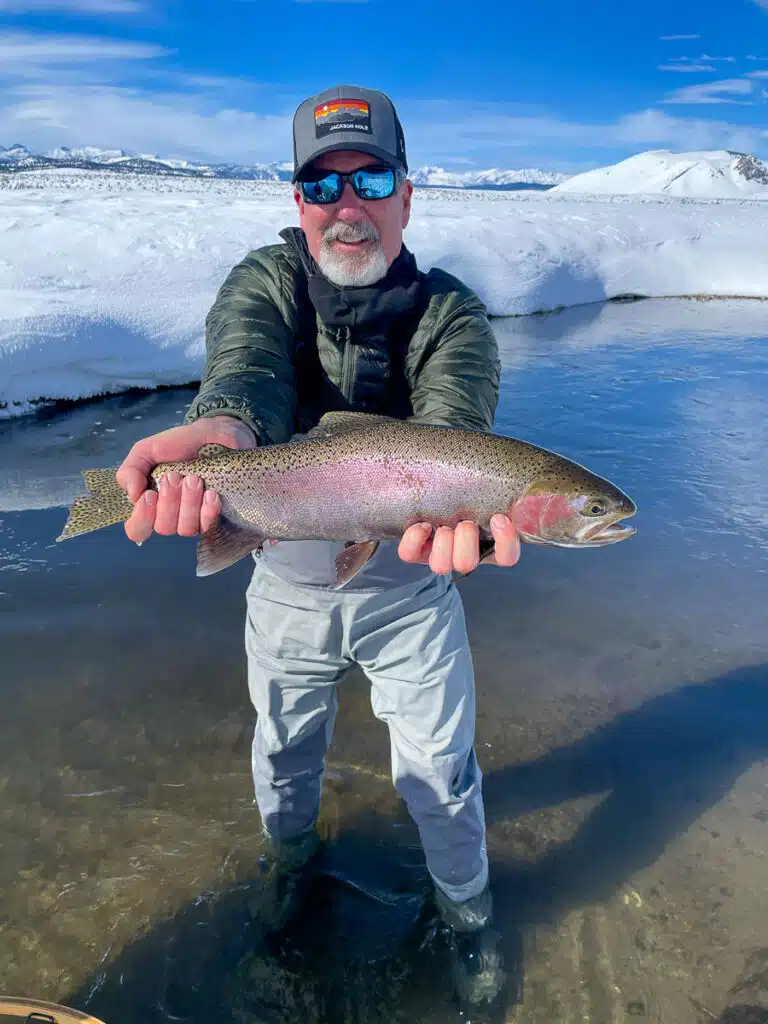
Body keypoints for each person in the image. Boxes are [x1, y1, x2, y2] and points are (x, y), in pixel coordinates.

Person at [116, 84, 521, 1009]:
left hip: (412, 586)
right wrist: (225, 428)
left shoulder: (452, 316)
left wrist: (465, 498)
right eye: (321, 183)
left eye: (369, 179)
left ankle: (467, 910)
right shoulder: (265, 282)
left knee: (442, 770)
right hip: (282, 575)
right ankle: (289, 864)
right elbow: (245, 367)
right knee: (283, 752)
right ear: (297, 199)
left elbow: (456, 423)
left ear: (406, 194)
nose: (346, 205)